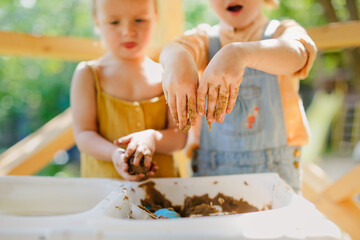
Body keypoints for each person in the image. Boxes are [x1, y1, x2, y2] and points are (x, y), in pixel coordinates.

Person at [160, 0, 317, 192]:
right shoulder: (203, 40)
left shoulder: (281, 32)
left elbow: (298, 53)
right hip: (211, 181)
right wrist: (178, 58)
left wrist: (240, 53)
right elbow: (173, 49)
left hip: (276, 184)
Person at [70, 0, 186, 181]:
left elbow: (179, 138)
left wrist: (152, 138)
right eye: (114, 22)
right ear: (97, 22)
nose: (128, 31)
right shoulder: (89, 75)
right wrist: (114, 154)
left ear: (155, 18)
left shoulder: (166, 75)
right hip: (104, 192)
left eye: (139, 20)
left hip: (163, 194)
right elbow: (84, 134)